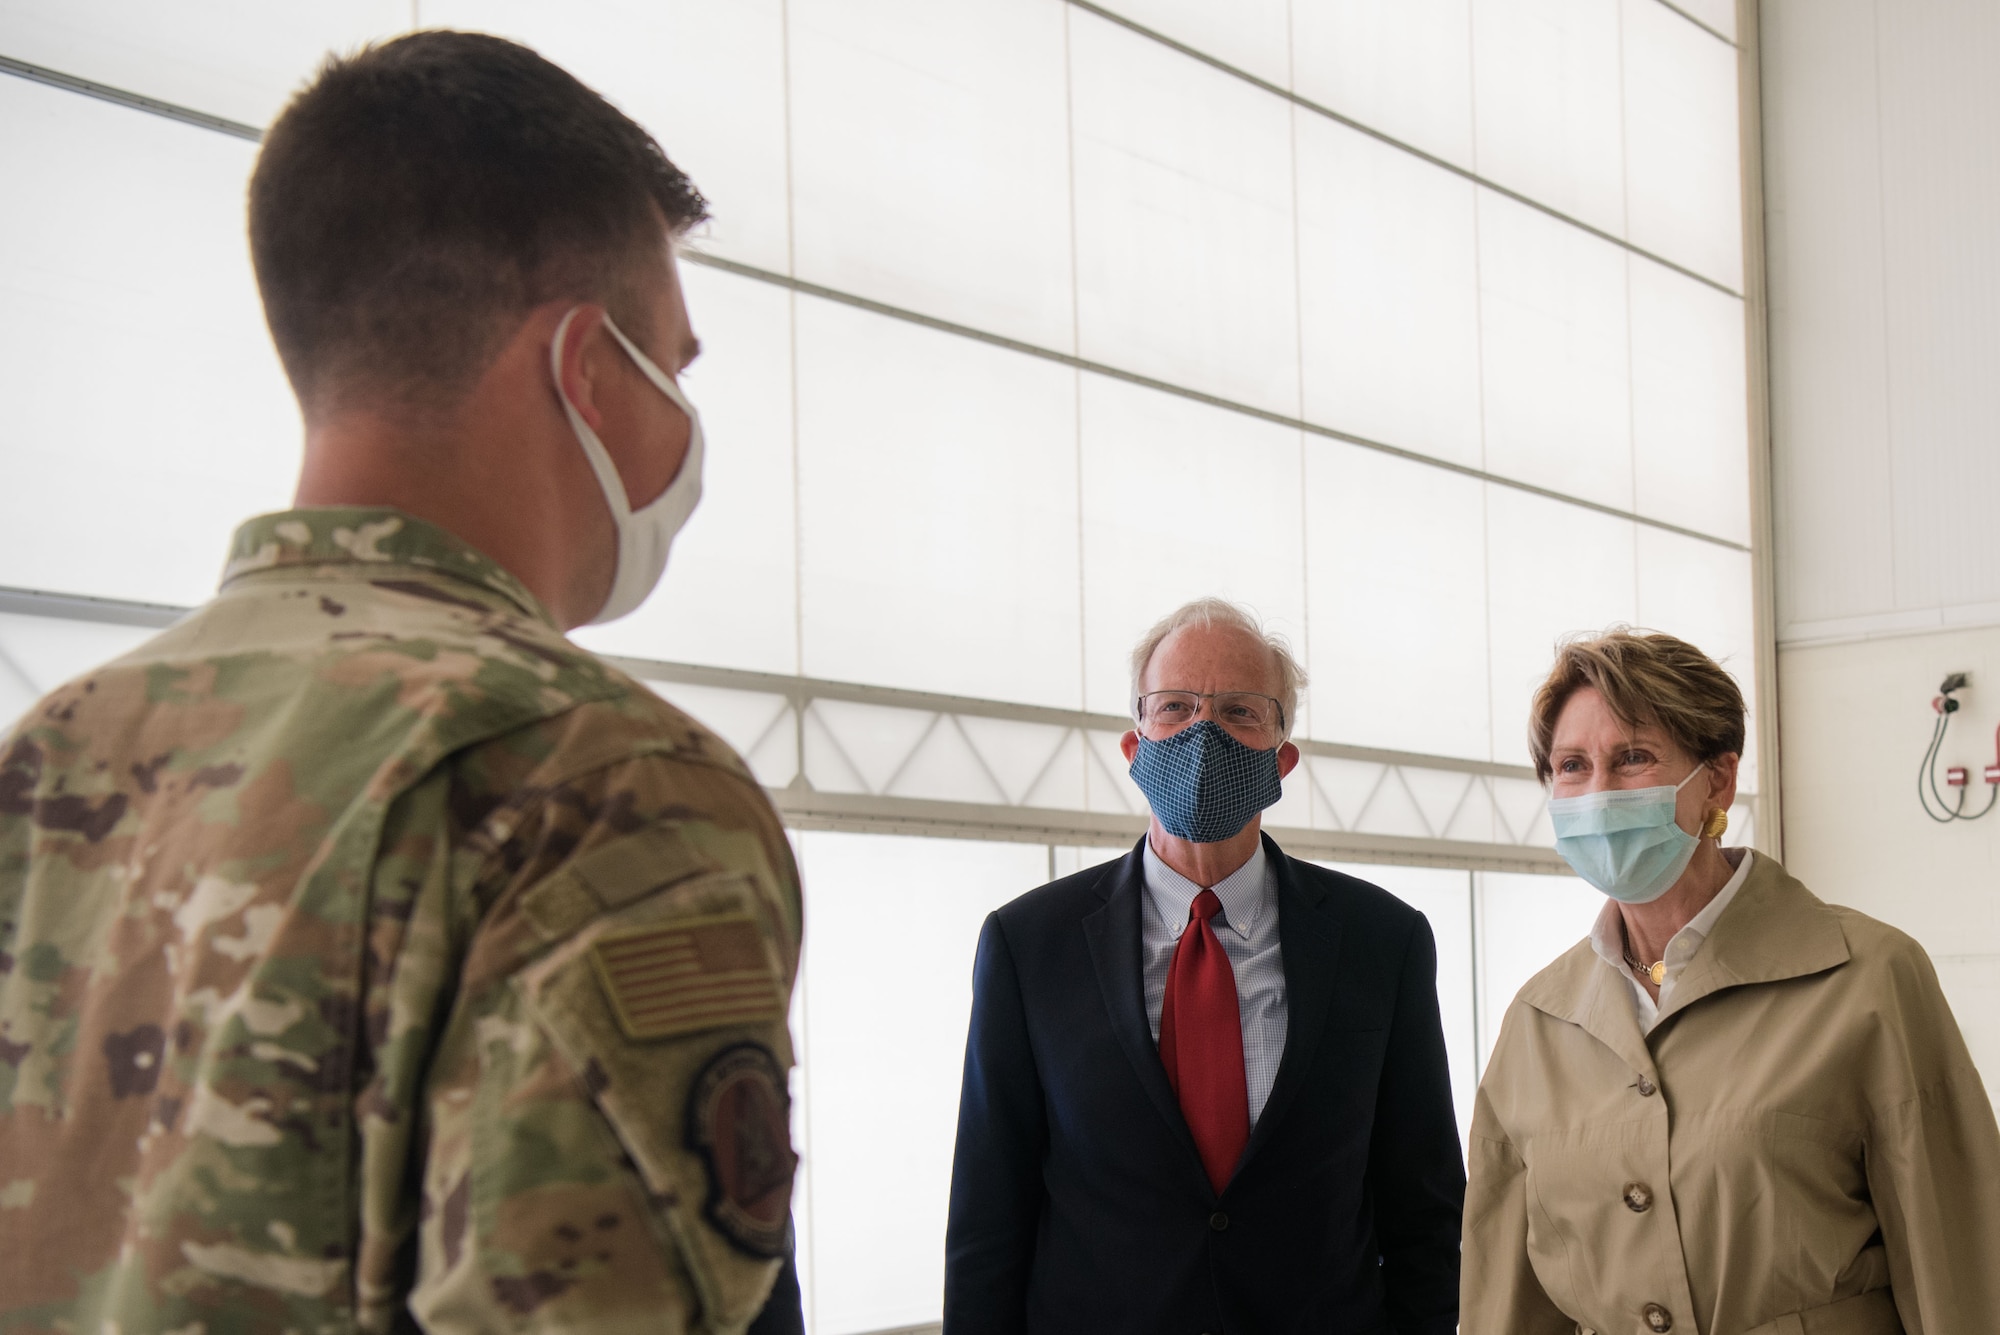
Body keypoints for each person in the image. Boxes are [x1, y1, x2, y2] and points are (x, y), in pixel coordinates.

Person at [0, 33, 805, 1333]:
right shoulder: (599, 782)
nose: (686, 428)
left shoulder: (53, 754)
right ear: (590, 369)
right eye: (678, 365)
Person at [944, 598, 1465, 1335]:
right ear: (1134, 746)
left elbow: (1426, 1216)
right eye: (1175, 707)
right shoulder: (1029, 944)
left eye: (1240, 711)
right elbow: (987, 1221)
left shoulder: (1383, 941)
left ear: (1282, 759)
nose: (1203, 731)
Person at [1462, 628, 2000, 1333]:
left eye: (1632, 758)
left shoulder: (1870, 978)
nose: (1597, 794)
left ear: (1717, 777)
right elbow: (1507, 1302)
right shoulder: (1536, 1021)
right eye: (1571, 765)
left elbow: (1958, 1269)